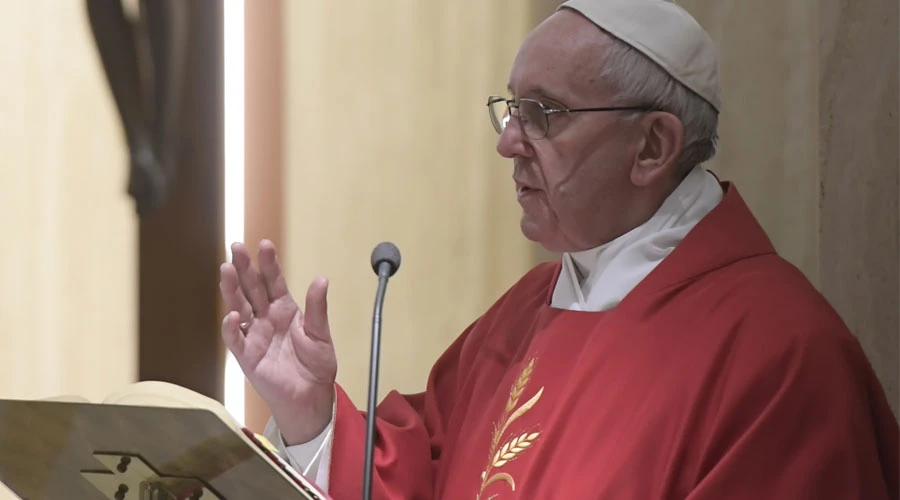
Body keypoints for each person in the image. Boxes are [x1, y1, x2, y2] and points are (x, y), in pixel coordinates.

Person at [219, 0, 900, 498]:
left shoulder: (780, 357)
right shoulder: (531, 310)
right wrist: (311, 414)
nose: (507, 142)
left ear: (653, 146)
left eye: (542, 114)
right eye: (510, 108)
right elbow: (419, 471)